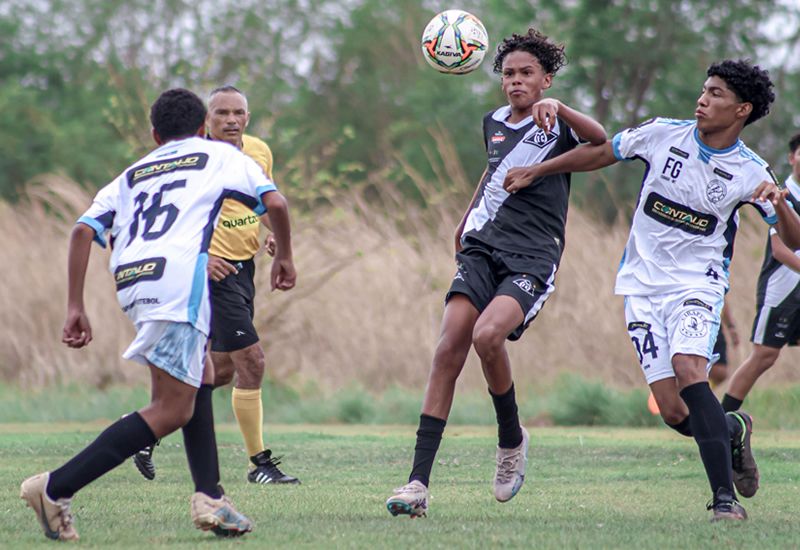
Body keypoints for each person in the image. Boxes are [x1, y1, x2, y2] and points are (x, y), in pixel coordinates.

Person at [503, 59, 800, 521]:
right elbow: (602, 153)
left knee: (690, 368)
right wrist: (536, 171)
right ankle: (733, 429)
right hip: (641, 286)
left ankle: (725, 500)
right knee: (672, 411)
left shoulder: (750, 171)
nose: (703, 99)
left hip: (697, 284)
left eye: (716, 94)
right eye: (704, 90)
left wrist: (780, 207)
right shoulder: (663, 133)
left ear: (742, 109)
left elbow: (794, 238)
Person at [20, 88, 296, 541]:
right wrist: (284, 255)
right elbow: (278, 205)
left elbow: (81, 231)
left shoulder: (131, 174)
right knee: (170, 409)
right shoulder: (219, 156)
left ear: (154, 135)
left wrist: (75, 306)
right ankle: (54, 487)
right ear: (203, 128)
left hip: (133, 281)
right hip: (178, 283)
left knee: (202, 372)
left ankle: (211, 496)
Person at [384, 28, 607, 518]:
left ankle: (511, 440)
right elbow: (493, 171)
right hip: (484, 246)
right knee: (448, 347)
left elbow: (602, 144)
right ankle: (416, 484)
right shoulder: (494, 122)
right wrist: (465, 219)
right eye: (508, 74)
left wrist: (560, 119)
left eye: (527, 73)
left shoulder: (556, 121)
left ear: (546, 79)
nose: (516, 81)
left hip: (532, 254)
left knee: (489, 337)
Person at [132, 86, 300, 485]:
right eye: (221, 113)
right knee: (253, 361)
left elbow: (263, 201)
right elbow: (167, 220)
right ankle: (259, 464)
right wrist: (201, 259)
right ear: (205, 121)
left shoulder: (258, 151)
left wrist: (273, 235)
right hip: (210, 275)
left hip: (244, 271)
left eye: (238, 112)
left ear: (248, 117)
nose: (230, 120)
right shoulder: (192, 160)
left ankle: (143, 428)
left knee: (218, 371)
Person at [721, 133, 800, 413]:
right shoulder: (781, 195)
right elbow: (780, 250)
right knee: (764, 356)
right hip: (782, 290)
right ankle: (723, 421)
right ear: (792, 158)